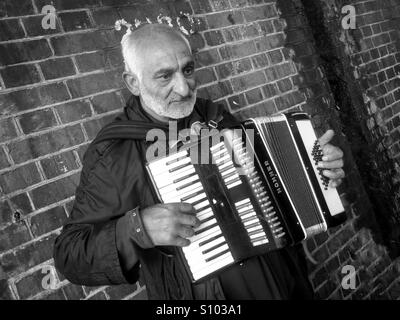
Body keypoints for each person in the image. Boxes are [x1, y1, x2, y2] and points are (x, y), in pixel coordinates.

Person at [53, 23, 345, 300]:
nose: (183, 88)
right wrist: (137, 228)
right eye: (165, 76)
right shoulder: (114, 153)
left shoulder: (216, 117)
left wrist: (315, 171)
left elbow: (269, 186)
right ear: (133, 82)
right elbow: (70, 255)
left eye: (188, 69)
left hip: (284, 282)